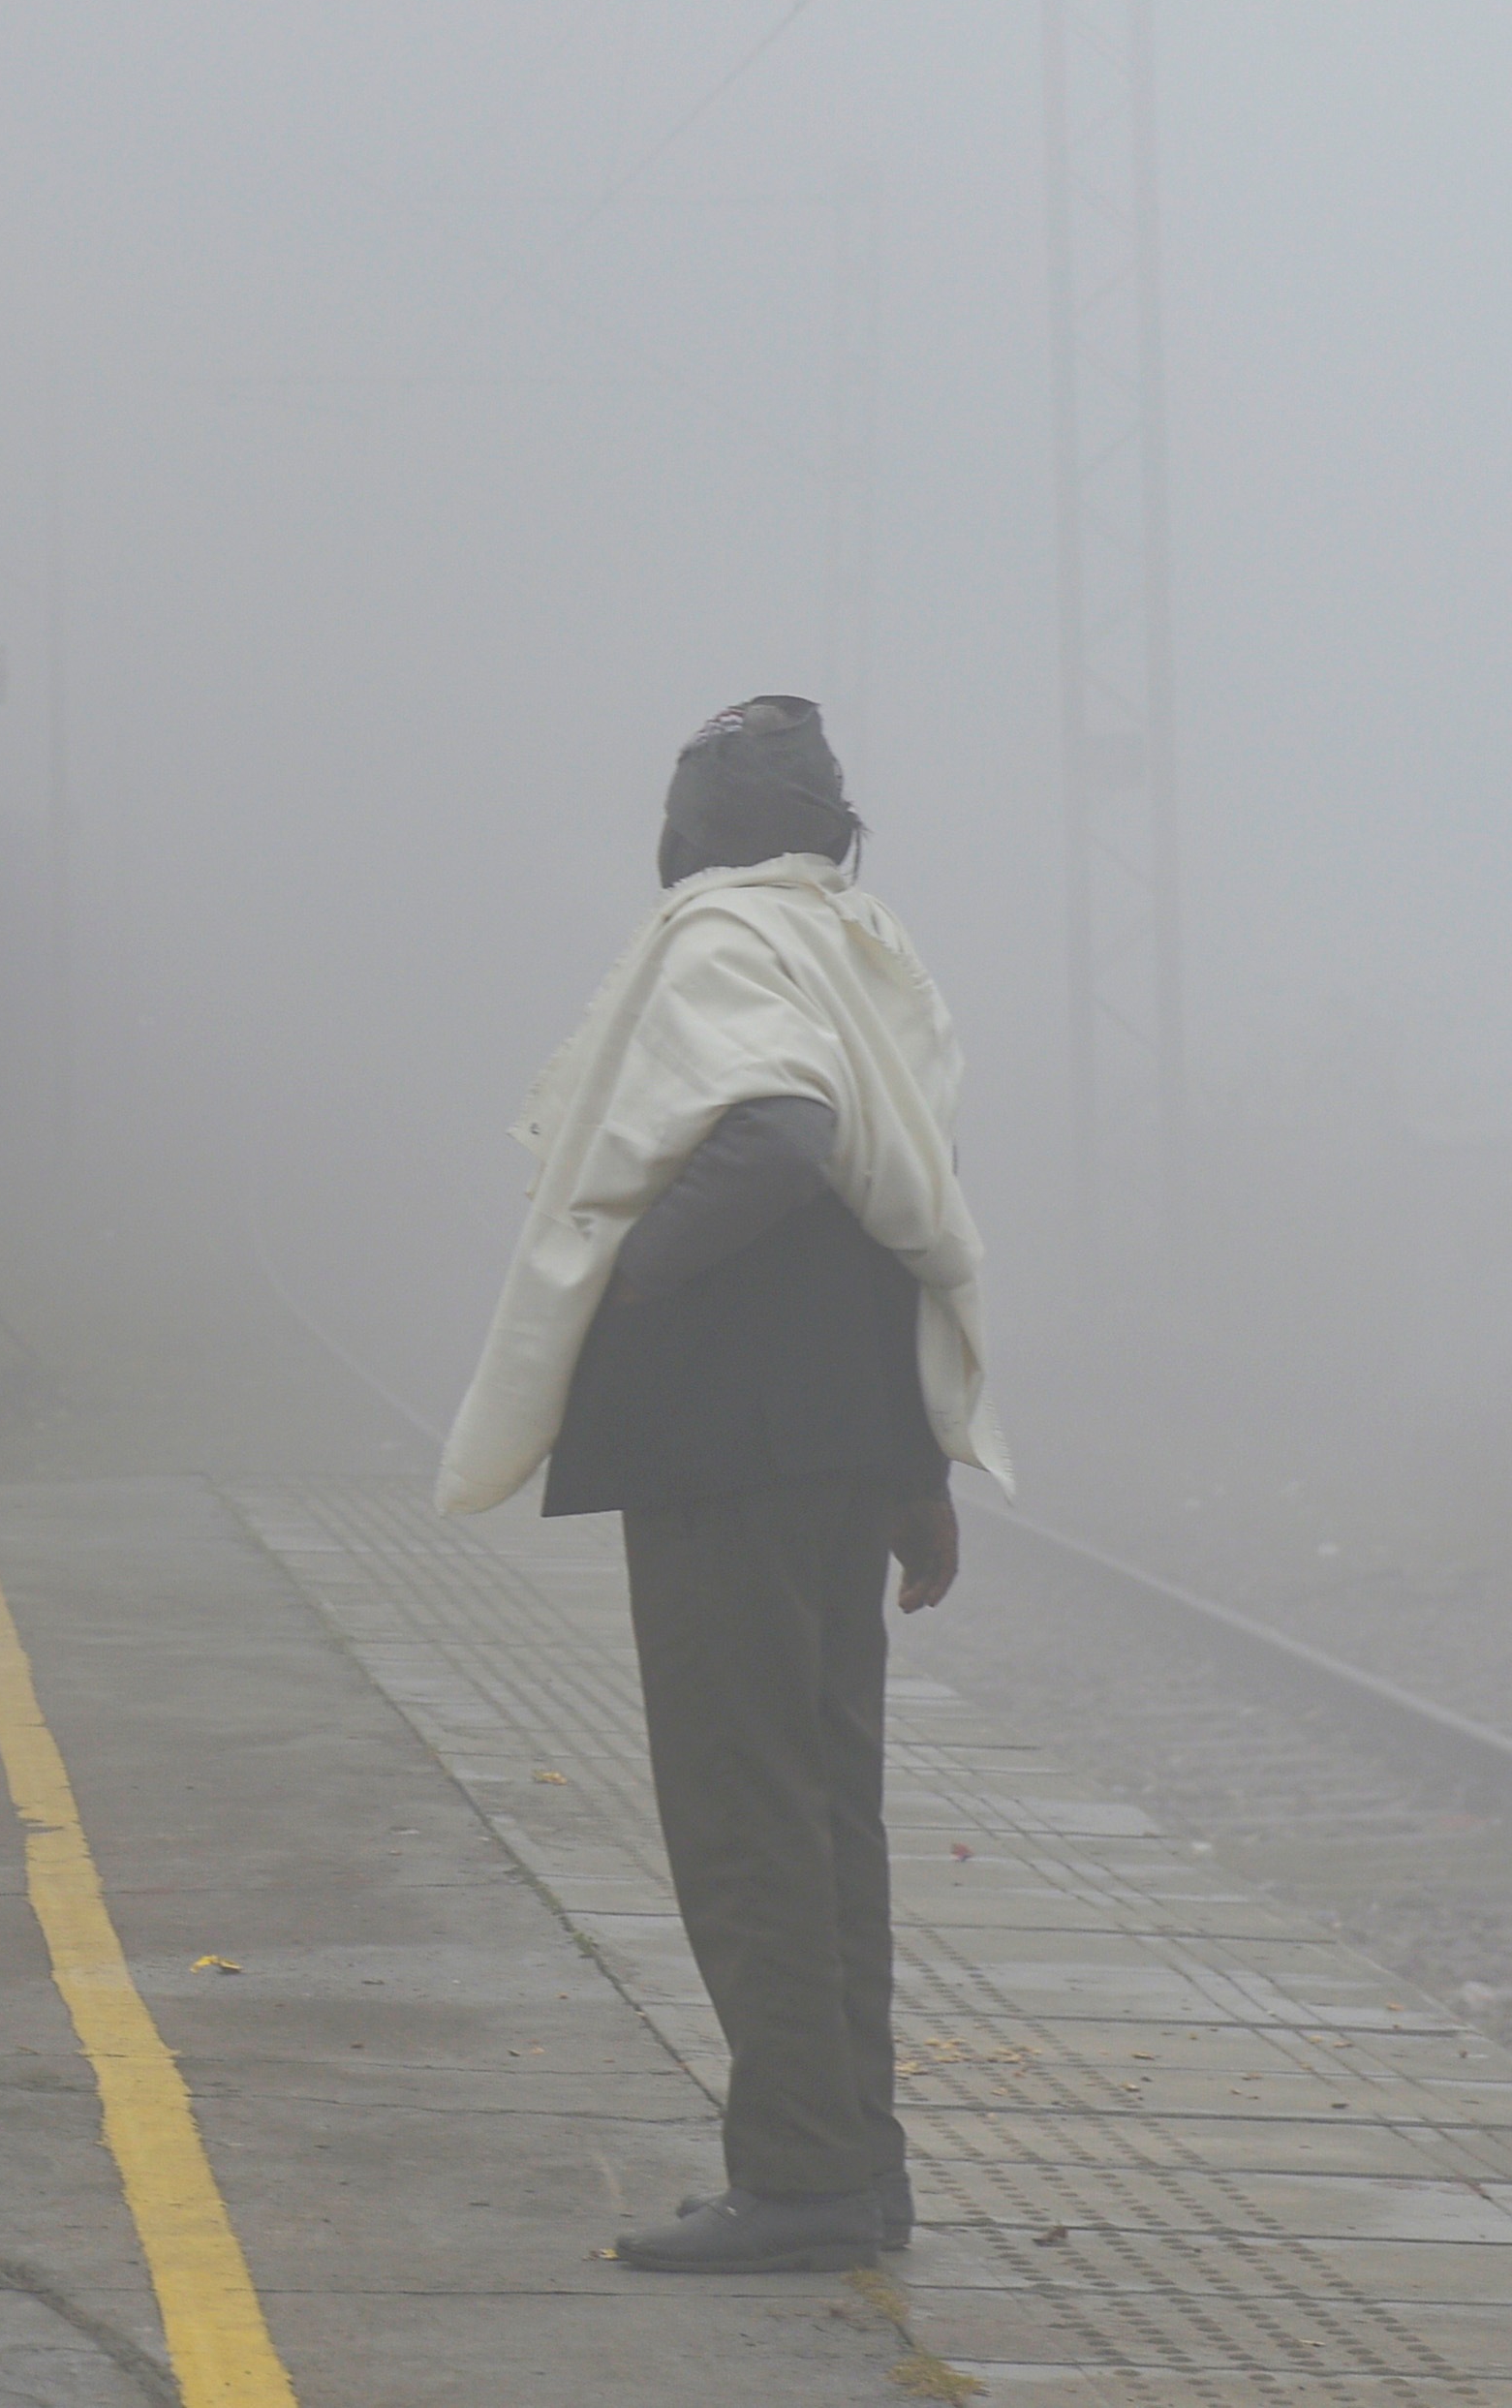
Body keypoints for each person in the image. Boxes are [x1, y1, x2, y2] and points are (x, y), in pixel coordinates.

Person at [435, 695, 1012, 2274]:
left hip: (732, 1463)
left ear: (690, 834)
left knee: (748, 1813)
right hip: (839, 1447)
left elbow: (776, 1138)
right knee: (831, 1814)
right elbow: (891, 1212)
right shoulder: (862, 950)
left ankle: (803, 2178)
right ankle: (857, 2164)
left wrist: (633, 1282)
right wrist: (911, 1469)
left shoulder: (720, 941)